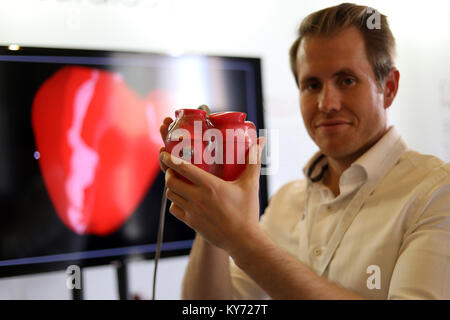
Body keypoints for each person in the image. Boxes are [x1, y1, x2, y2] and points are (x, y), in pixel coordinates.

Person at [158, 3, 450, 299]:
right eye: (311, 85)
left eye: (346, 80)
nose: (327, 103)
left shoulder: (437, 193)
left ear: (388, 87)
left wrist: (242, 241)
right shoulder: (286, 202)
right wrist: (212, 206)